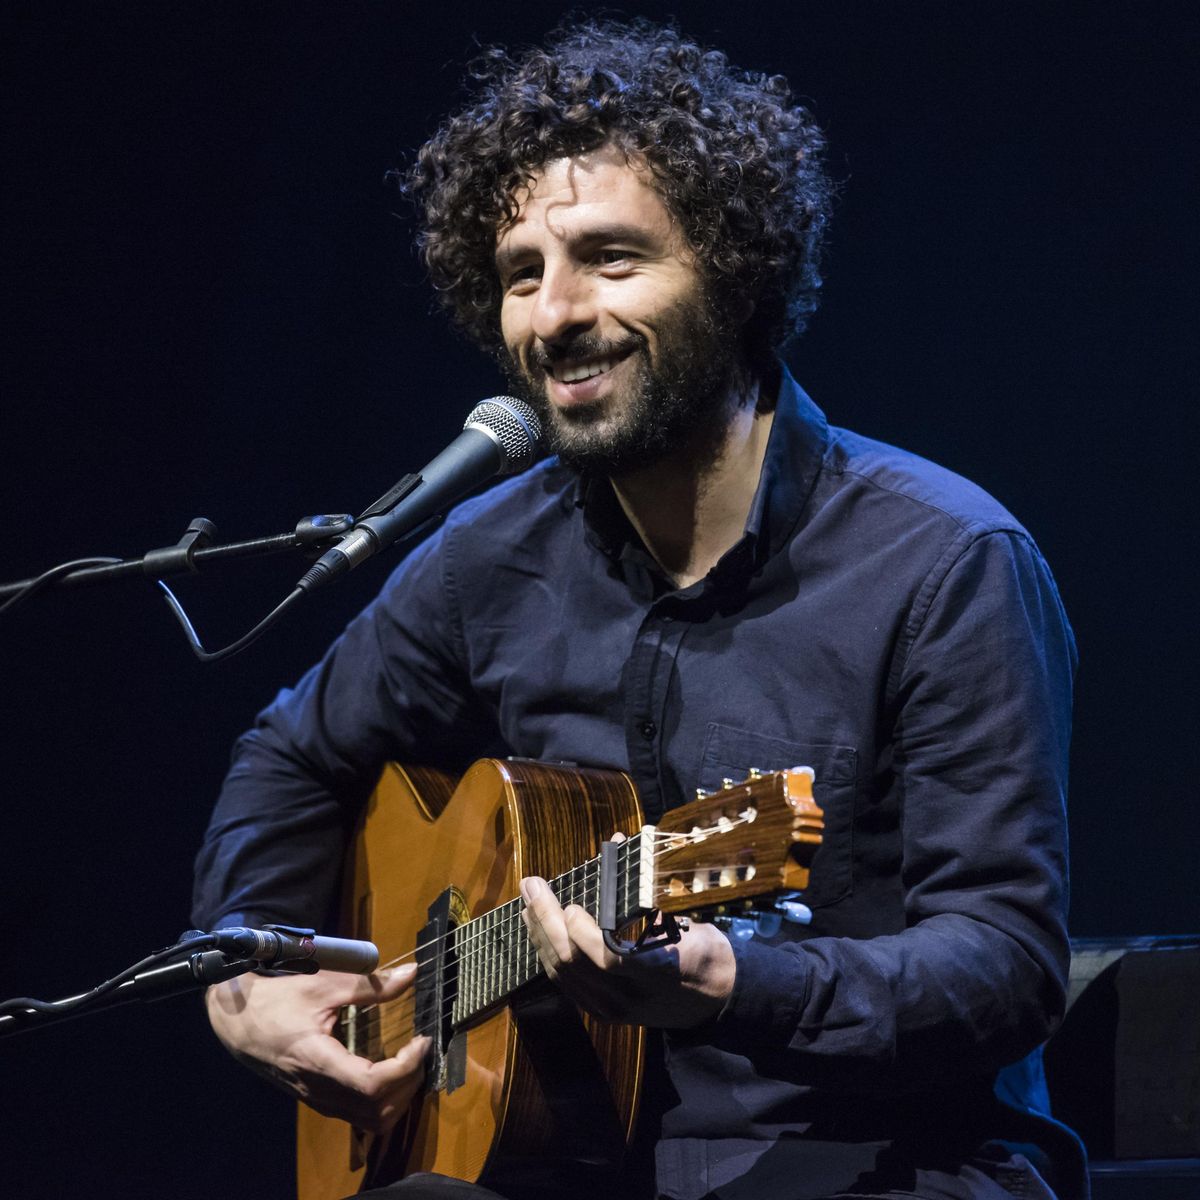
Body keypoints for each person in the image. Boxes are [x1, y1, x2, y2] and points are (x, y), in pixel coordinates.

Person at [193, 19, 1083, 1200]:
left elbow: (1008, 960)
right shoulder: (489, 557)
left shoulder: (945, 561)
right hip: (564, 1157)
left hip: (875, 1157)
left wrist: (735, 985)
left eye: (609, 259)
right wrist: (249, 977)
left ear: (736, 271)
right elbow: (292, 754)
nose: (553, 313)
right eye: (521, 274)